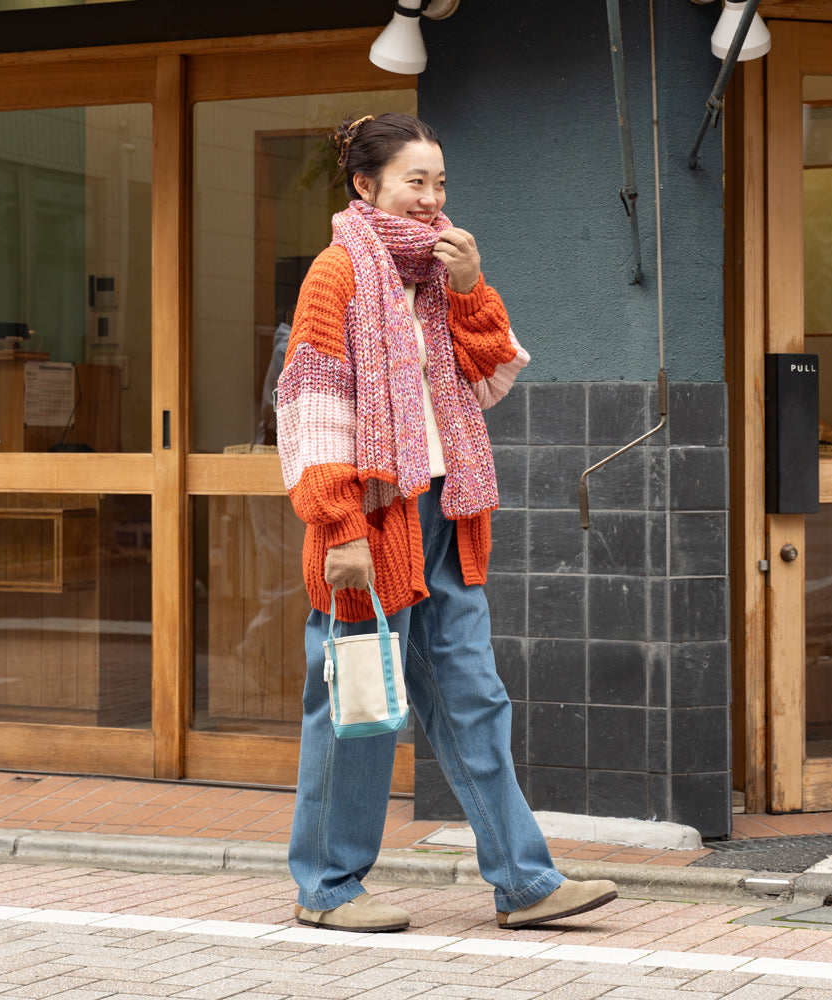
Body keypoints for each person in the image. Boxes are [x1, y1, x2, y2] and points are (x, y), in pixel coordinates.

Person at [276, 112, 617, 933]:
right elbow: (311, 409)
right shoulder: (337, 273)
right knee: (359, 705)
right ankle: (327, 887)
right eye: (415, 182)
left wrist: (469, 287)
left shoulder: (435, 279)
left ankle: (524, 882)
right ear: (367, 185)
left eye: (439, 183)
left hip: (444, 513)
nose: (432, 199)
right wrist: (340, 528)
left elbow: (491, 376)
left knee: (474, 697)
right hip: (369, 521)